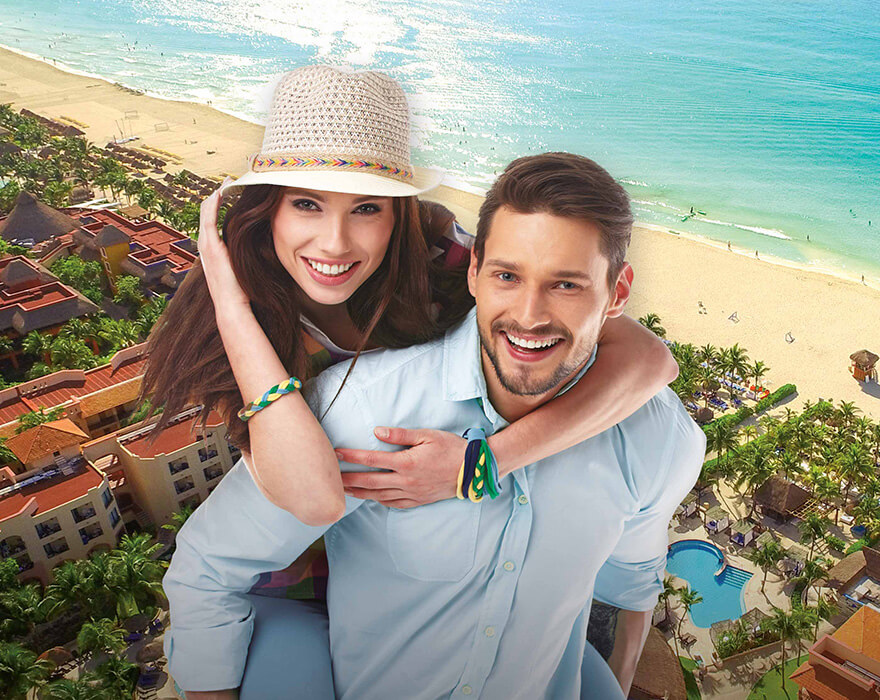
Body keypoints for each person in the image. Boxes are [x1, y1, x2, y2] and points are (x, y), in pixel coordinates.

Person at [147, 66, 676, 697]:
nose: (335, 242)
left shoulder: (446, 258)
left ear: (399, 215)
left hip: (430, 561)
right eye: (307, 204)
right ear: (268, 213)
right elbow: (309, 501)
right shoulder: (230, 316)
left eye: (366, 207)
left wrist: (480, 465)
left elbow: (647, 359)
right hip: (288, 568)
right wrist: (232, 305)